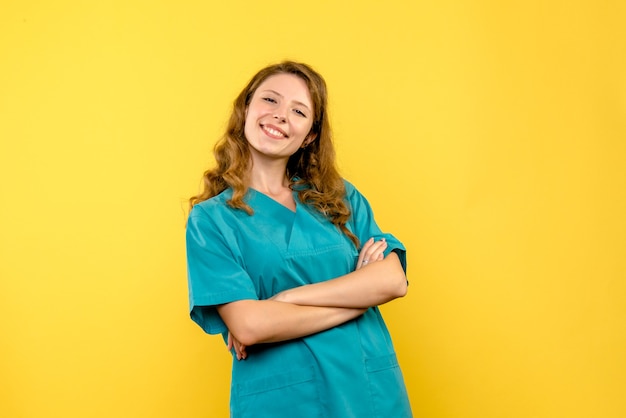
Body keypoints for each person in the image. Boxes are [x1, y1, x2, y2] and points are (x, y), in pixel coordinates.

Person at [186, 61, 412, 417]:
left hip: (369, 390)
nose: (280, 116)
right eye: (270, 100)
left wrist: (285, 299)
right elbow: (250, 325)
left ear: (309, 135)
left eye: (298, 111)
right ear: (246, 108)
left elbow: (393, 280)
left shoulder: (341, 198)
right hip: (284, 399)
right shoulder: (211, 220)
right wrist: (360, 294)